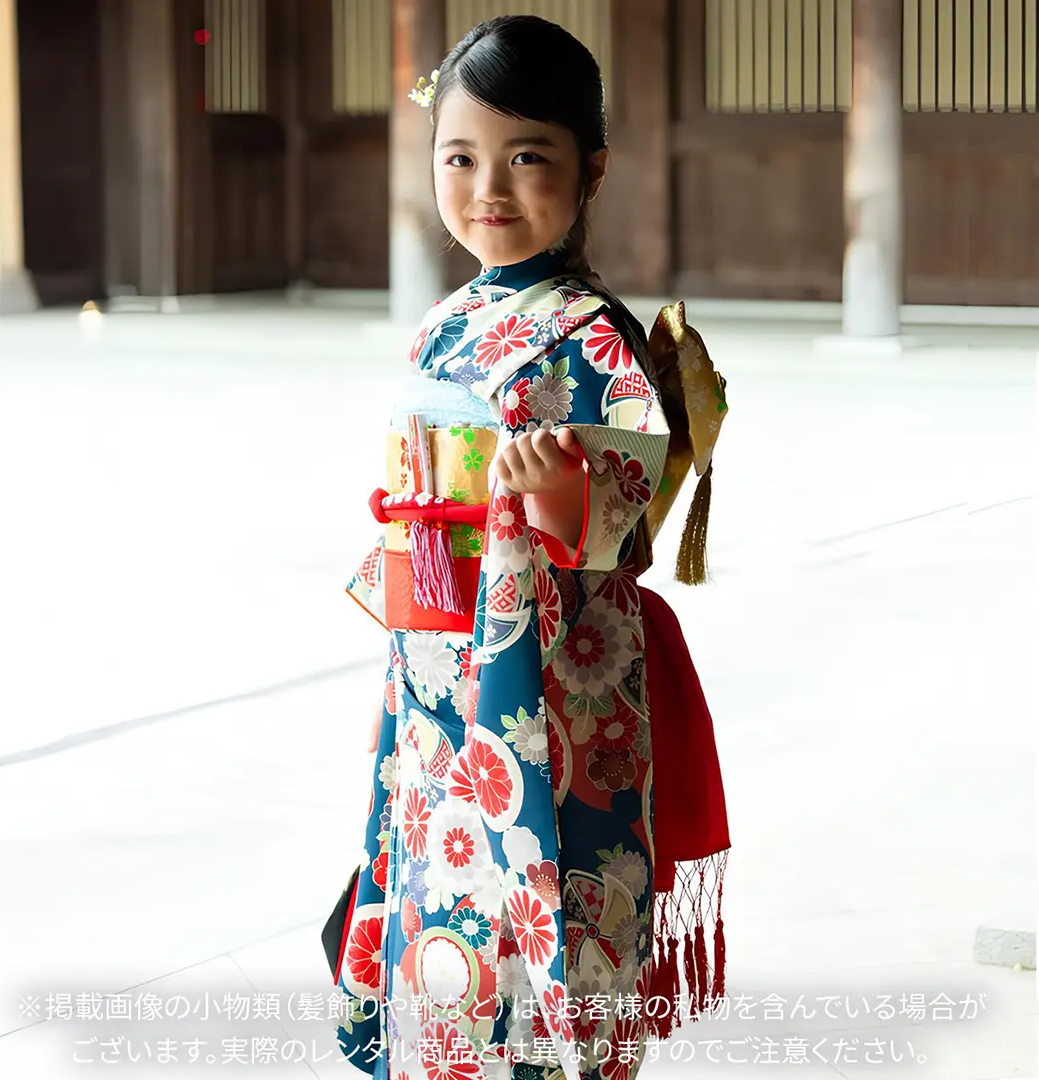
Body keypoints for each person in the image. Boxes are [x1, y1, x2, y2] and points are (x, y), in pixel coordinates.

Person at [330, 16, 730, 1080]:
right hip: (437, 688)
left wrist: (560, 498)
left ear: (591, 167)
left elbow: (616, 524)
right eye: (459, 157)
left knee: (544, 929)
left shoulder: (595, 334)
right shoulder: (443, 323)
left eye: (527, 158)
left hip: (553, 694)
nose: (487, 188)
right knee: (443, 919)